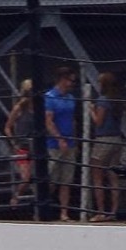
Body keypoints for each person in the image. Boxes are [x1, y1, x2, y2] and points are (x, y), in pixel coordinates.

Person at [88, 71, 126, 222]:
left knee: (97, 175)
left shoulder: (102, 100)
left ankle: (100, 211)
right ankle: (114, 211)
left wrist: (91, 110)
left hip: (103, 139)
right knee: (113, 176)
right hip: (117, 139)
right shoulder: (117, 100)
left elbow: (98, 121)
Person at [44, 66, 78, 221]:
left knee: (66, 180)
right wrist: (59, 139)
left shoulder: (71, 98)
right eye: (70, 80)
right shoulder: (50, 97)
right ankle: (45, 208)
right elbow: (48, 121)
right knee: (52, 178)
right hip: (54, 144)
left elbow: (72, 120)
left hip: (70, 142)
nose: (72, 83)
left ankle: (64, 212)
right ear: (63, 79)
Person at [3, 78, 33, 207]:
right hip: (23, 146)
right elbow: (7, 127)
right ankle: (16, 195)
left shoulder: (40, 107)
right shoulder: (20, 107)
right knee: (26, 177)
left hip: (36, 145)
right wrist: (14, 142)